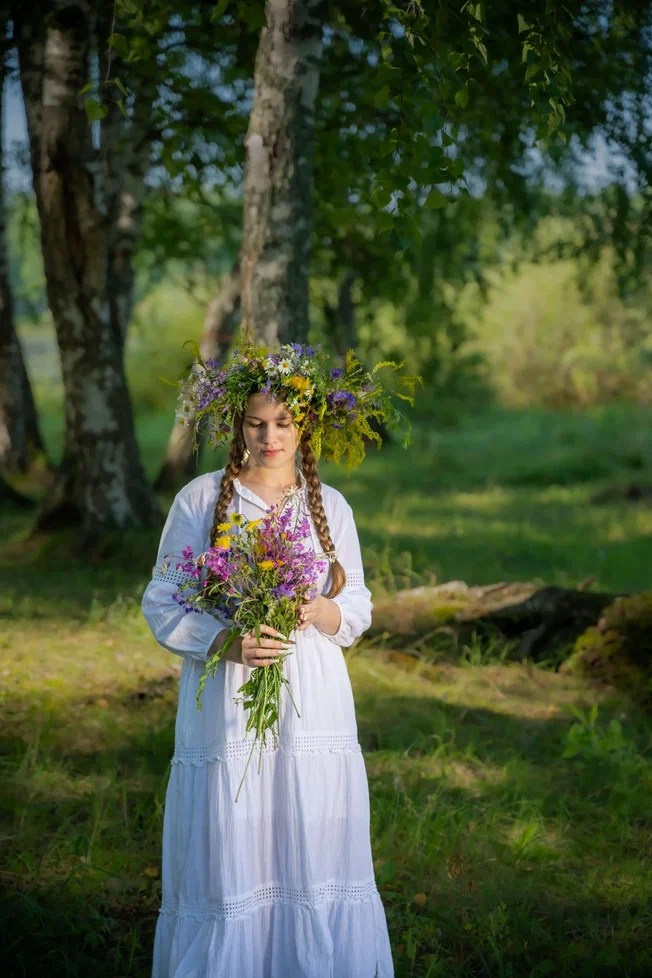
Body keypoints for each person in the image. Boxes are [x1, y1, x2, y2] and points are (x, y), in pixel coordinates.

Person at [141, 343, 410, 978]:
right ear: (237, 424)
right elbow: (161, 602)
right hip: (231, 694)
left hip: (312, 691)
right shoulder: (203, 501)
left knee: (307, 829)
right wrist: (225, 642)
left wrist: (321, 611)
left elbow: (360, 605)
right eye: (256, 423)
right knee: (236, 825)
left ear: (305, 425)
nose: (270, 437)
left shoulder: (330, 505)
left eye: (284, 423)